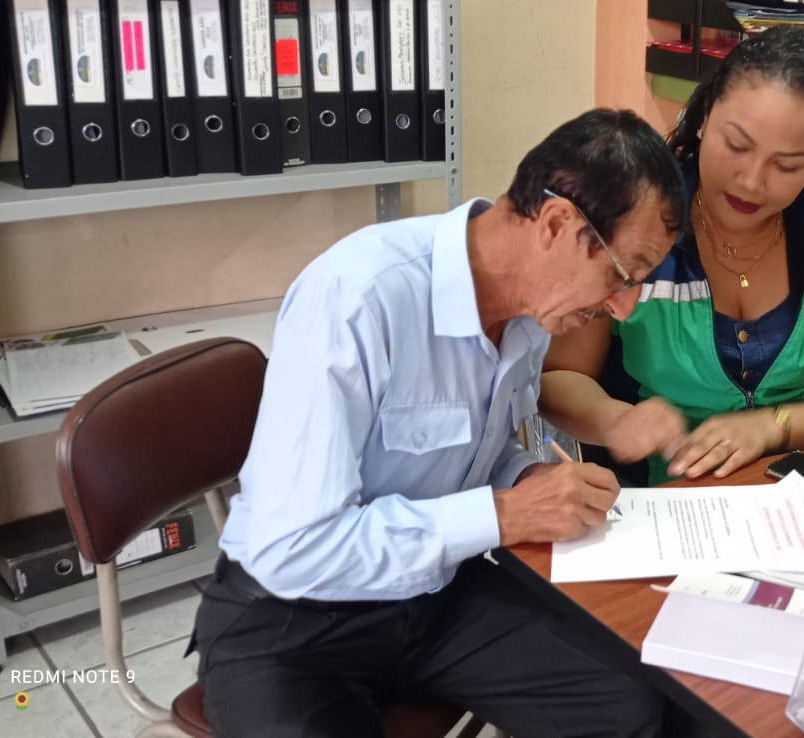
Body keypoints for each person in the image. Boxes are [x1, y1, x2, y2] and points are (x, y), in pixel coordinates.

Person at [191, 108, 686, 738]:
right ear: (557, 224)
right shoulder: (357, 296)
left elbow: (472, 447)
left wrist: (526, 476)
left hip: (432, 593)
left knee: (628, 702)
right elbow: (295, 547)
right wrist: (507, 515)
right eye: (623, 274)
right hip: (291, 616)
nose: (625, 305)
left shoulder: (533, 314)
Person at [539, 27, 804, 484]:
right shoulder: (633, 222)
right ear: (704, 118)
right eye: (736, 145)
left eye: (787, 165)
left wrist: (772, 427)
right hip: (665, 493)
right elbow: (558, 376)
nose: (751, 181)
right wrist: (617, 421)